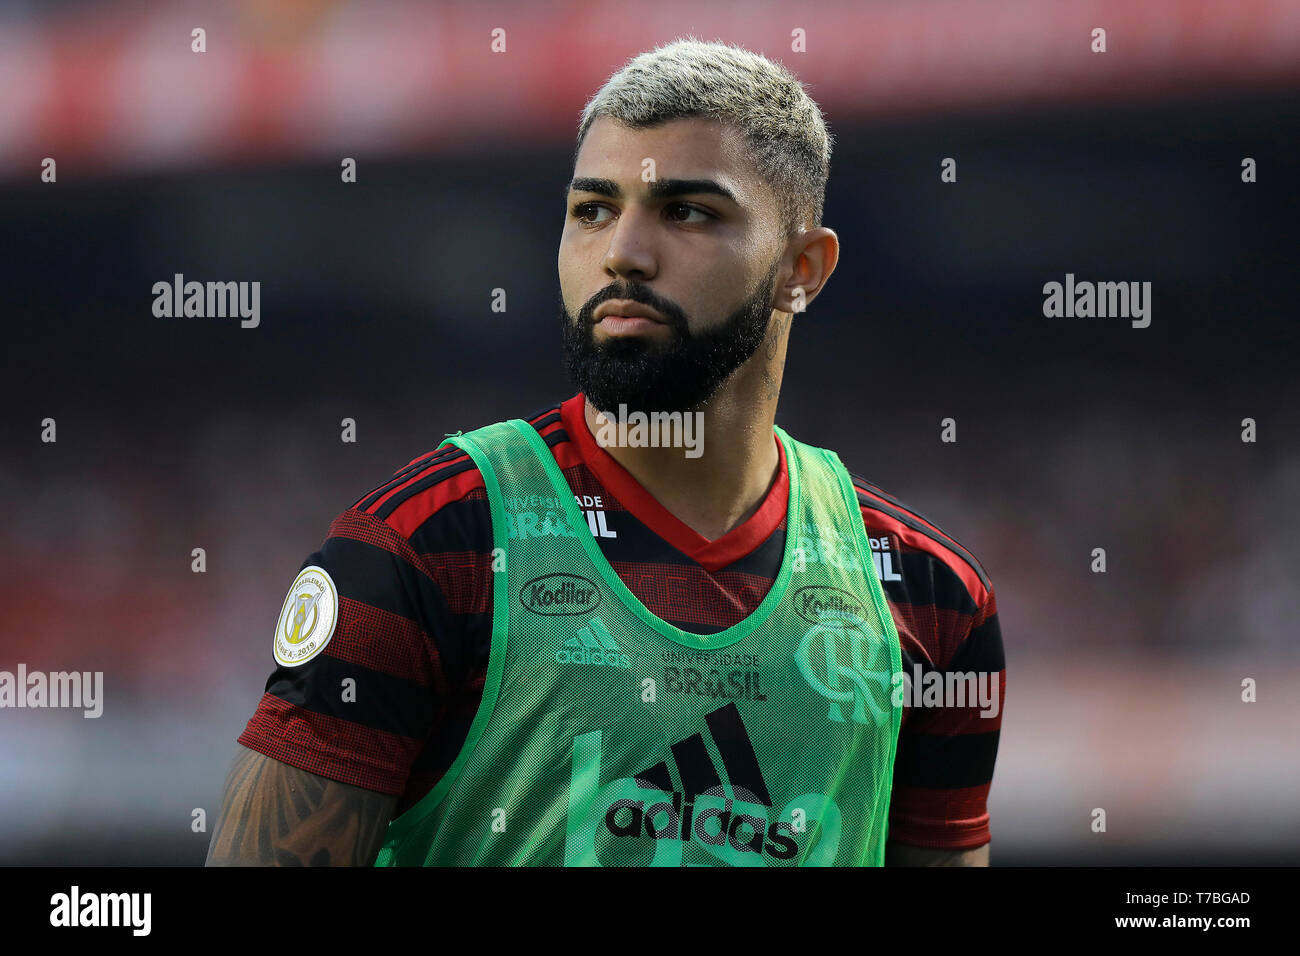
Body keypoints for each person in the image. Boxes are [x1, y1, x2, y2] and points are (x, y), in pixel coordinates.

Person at [207, 37, 1003, 867]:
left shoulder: (929, 594)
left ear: (801, 269)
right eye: (593, 209)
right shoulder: (424, 550)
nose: (622, 252)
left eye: (686, 211)